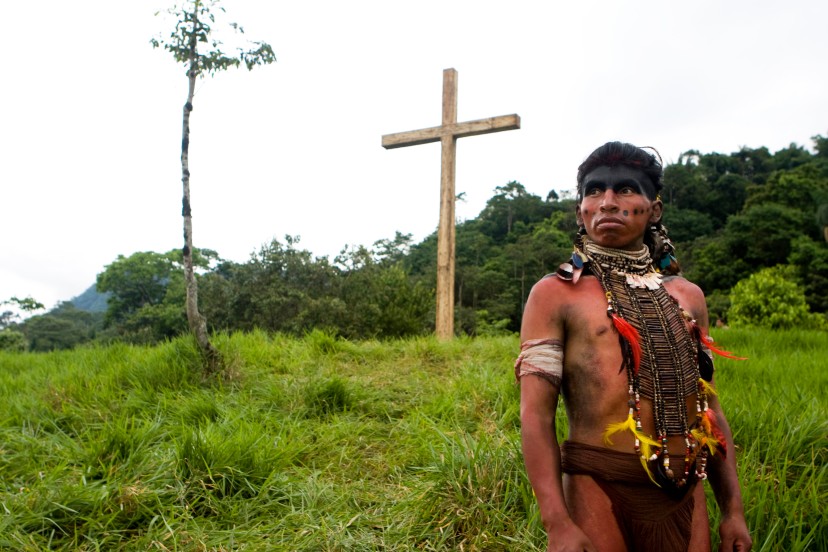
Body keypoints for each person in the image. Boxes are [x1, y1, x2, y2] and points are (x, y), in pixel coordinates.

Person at [516, 142, 752, 552]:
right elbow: (535, 416)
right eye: (594, 191)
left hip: (684, 487)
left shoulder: (688, 296)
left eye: (625, 190)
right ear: (580, 211)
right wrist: (557, 522)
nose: (607, 202)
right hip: (598, 485)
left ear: (654, 209)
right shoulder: (555, 294)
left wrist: (733, 512)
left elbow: (709, 411)